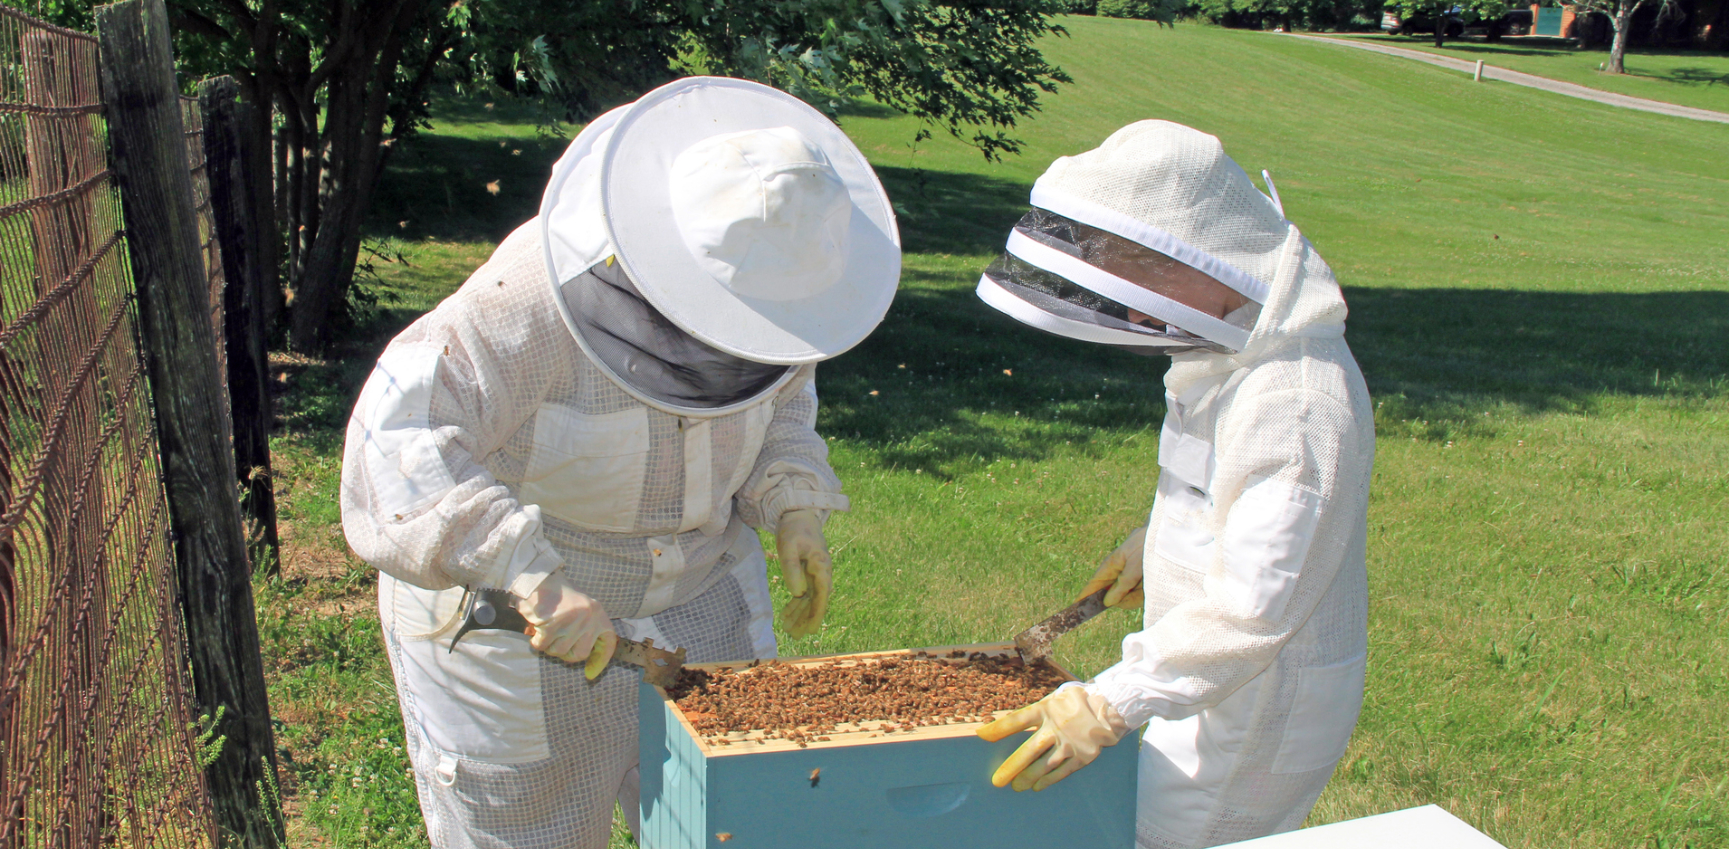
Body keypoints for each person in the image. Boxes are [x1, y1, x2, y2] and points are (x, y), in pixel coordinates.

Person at [338, 77, 900, 849]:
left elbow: (781, 397)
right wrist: (528, 574)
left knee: (735, 827)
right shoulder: (523, 299)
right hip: (514, 625)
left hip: (702, 597)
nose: (735, 344)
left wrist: (793, 501)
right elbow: (397, 442)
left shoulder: (774, 297)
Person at [973, 120, 1375, 849]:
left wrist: (1111, 701)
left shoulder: (1296, 400)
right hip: (1202, 676)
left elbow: (1252, 611)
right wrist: (1159, 540)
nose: (1132, 310)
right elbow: (1226, 495)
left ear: (1206, 256)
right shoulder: (1230, 349)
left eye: (1143, 279)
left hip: (1254, 704)